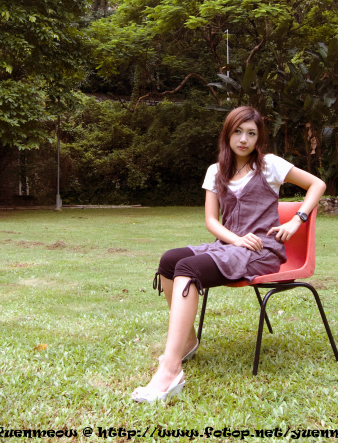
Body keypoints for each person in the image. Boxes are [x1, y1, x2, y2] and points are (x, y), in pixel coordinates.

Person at [131, 106, 326, 403]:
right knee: (169, 261)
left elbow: (317, 184)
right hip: (230, 245)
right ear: (227, 134)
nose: (244, 139)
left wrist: (296, 220)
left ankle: (170, 369)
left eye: (251, 133)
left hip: (262, 250)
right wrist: (236, 240)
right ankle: (188, 340)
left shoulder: (271, 165)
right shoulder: (216, 171)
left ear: (259, 138)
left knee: (188, 269)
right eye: (238, 132)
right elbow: (211, 220)